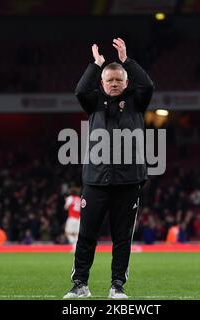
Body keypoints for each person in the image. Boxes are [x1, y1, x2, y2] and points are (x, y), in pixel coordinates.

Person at [64, 38, 154, 299]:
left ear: (126, 83)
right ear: (102, 84)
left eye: (119, 80)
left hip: (128, 181)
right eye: (109, 80)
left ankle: (117, 285)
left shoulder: (138, 101)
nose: (114, 84)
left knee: (122, 238)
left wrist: (126, 60)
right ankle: (80, 284)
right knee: (86, 236)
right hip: (95, 180)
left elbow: (147, 84)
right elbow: (80, 91)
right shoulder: (93, 102)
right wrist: (96, 65)